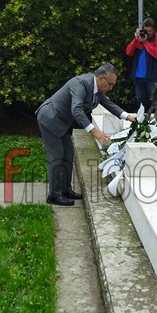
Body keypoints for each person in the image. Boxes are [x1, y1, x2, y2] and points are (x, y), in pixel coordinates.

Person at [36, 63, 136, 206]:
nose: (111, 88)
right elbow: (76, 110)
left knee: (68, 153)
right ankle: (54, 195)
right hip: (50, 118)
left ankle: (65, 189)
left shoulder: (97, 90)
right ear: (100, 78)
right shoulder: (81, 84)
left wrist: (128, 117)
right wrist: (94, 131)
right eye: (110, 84)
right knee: (57, 156)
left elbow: (109, 104)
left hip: (62, 123)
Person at [125, 17, 157, 110]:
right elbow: (128, 52)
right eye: (146, 31)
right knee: (139, 99)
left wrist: (146, 42)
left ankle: (156, 116)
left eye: (150, 31)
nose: (148, 33)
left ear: (154, 30)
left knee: (155, 99)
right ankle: (140, 116)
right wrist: (135, 39)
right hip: (138, 75)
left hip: (152, 75)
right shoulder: (139, 38)